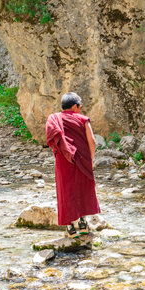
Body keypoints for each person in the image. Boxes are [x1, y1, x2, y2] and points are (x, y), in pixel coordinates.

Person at [45, 92, 100, 238]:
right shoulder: (83, 120)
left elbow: (53, 139)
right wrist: (90, 159)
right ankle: (83, 224)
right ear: (75, 106)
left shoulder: (54, 119)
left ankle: (70, 228)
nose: (80, 109)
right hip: (82, 159)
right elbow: (92, 141)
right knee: (82, 189)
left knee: (66, 191)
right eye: (80, 106)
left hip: (63, 161)